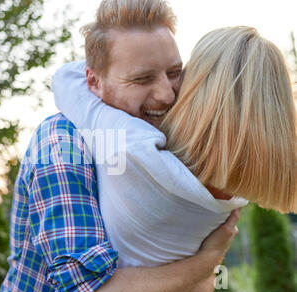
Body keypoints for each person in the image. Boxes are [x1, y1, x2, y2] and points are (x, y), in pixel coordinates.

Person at [0, 0, 242, 292]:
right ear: (93, 82)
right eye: (142, 79)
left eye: (174, 72)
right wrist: (207, 261)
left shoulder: (173, 146)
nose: (166, 94)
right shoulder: (61, 145)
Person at [52, 26, 296, 270]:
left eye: (178, 73)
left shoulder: (136, 146)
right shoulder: (235, 197)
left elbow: (67, 78)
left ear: (195, 88)